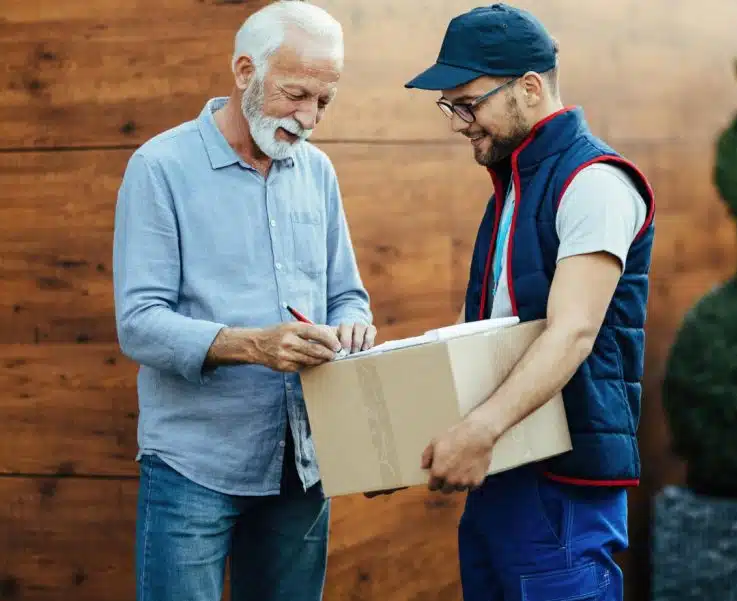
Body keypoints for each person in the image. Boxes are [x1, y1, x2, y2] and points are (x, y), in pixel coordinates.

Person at [112, 2, 375, 600]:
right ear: (243, 71)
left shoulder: (319, 172)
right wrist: (253, 345)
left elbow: (347, 295)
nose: (309, 118)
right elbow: (139, 324)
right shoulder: (158, 167)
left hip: (302, 462)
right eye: (295, 94)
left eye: (324, 102)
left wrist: (354, 327)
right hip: (192, 468)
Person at [403, 4, 655, 600]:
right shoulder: (515, 184)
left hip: (561, 486)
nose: (459, 122)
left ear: (530, 87)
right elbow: (492, 335)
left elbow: (572, 332)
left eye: (468, 103)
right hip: (503, 469)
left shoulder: (593, 181)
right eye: (450, 107)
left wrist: (480, 431)